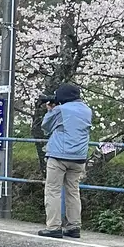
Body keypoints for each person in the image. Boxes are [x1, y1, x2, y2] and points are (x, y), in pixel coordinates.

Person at [40, 82, 92, 238]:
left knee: (53, 191)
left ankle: (54, 227)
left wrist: (50, 110)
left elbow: (45, 127)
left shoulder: (60, 110)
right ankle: (74, 226)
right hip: (79, 157)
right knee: (73, 191)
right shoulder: (87, 110)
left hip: (59, 156)